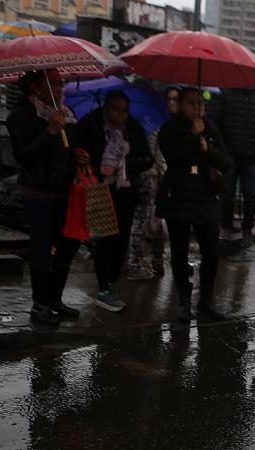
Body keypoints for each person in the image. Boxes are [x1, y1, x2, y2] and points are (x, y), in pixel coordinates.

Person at [7, 69, 83, 325]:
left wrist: (79, 157)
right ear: (37, 88)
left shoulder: (64, 114)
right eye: (55, 83)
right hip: (38, 191)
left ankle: (54, 299)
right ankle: (40, 304)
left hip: (63, 189)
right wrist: (49, 130)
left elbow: (66, 151)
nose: (61, 88)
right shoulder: (22, 115)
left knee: (62, 247)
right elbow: (24, 155)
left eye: (62, 83)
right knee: (41, 248)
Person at [157, 87, 232, 321]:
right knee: (179, 251)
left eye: (200, 103)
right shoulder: (170, 129)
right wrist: (192, 136)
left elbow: (226, 162)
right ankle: (183, 300)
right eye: (191, 103)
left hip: (205, 197)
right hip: (178, 196)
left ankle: (206, 300)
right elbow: (173, 156)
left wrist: (206, 147)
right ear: (180, 105)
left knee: (210, 251)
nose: (197, 108)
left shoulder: (210, 130)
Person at [78, 90, 154, 311]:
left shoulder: (134, 129)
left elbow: (147, 158)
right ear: (106, 107)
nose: (120, 115)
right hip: (101, 188)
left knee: (121, 239)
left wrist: (124, 161)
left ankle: (111, 283)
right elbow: (83, 152)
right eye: (115, 109)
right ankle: (103, 287)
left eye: (124, 110)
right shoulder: (92, 125)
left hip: (125, 190)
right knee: (105, 239)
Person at [212, 86, 255, 249]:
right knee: (227, 194)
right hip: (229, 154)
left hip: (251, 155)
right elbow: (214, 120)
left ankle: (247, 228)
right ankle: (226, 226)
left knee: (250, 194)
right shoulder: (225, 94)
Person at [127, 86, 178, 280]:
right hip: (150, 175)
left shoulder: (143, 118)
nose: (171, 103)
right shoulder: (154, 121)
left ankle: (146, 261)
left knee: (152, 220)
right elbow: (156, 154)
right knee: (142, 220)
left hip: (148, 174)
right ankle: (134, 264)